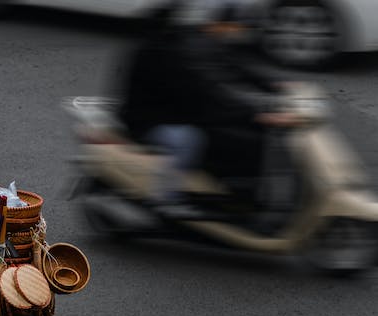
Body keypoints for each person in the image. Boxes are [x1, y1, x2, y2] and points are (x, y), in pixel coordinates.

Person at [117, 0, 303, 214]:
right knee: (187, 139)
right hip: (150, 120)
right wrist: (256, 114)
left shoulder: (195, 43)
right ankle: (167, 199)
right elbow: (207, 91)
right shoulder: (163, 53)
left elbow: (233, 66)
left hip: (180, 111)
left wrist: (275, 84)